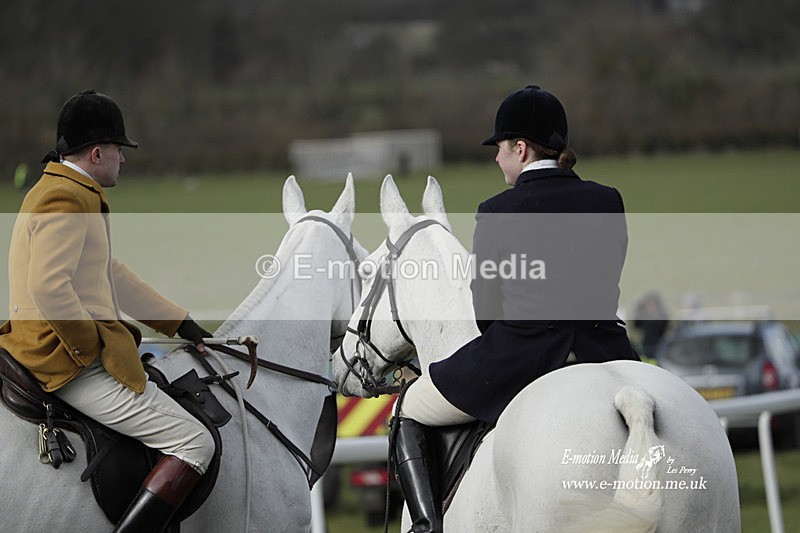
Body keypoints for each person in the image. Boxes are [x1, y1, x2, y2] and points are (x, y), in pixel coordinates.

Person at [391, 85, 640, 532]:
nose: (496, 158)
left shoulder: (496, 210)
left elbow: (486, 311)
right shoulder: (608, 200)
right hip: (607, 348)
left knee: (408, 406)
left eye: (500, 148)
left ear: (520, 149)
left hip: (521, 355)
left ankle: (426, 528)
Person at [0, 89, 215, 532]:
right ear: (97, 153)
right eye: (119, 150)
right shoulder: (68, 198)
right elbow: (48, 287)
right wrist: (88, 349)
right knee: (195, 442)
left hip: (47, 347)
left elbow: (109, 274)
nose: (124, 160)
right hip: (63, 362)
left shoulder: (63, 188)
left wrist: (181, 323)